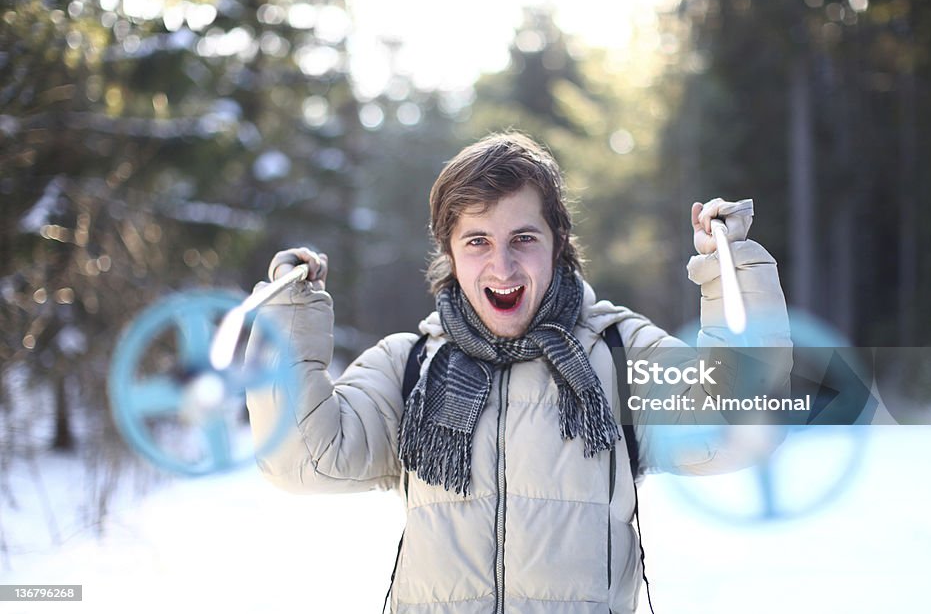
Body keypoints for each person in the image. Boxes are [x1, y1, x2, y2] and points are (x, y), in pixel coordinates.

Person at [245, 132, 791, 613]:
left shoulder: (616, 351)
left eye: (523, 238)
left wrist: (731, 270)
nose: (502, 267)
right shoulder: (408, 365)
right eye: (477, 241)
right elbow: (301, 461)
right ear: (450, 254)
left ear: (558, 244)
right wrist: (290, 315)